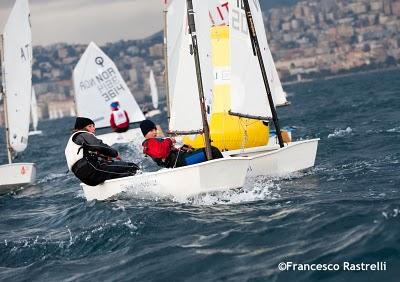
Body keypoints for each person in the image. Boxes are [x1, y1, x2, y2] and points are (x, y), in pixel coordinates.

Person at [65, 117, 139, 186]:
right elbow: (98, 145)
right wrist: (115, 154)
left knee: (116, 173)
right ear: (83, 128)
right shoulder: (83, 134)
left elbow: (88, 153)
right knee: (132, 167)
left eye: (93, 126)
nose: (94, 128)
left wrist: (105, 156)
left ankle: (115, 192)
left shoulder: (72, 141)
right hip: (91, 169)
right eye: (90, 126)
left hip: (82, 176)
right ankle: (141, 185)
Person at [139, 119, 223, 168]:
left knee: (208, 152)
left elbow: (167, 152)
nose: (154, 132)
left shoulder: (154, 141)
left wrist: (183, 148)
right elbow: (161, 152)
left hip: (181, 160)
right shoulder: (149, 143)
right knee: (212, 150)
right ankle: (223, 172)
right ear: (145, 133)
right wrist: (169, 141)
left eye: (155, 130)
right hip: (182, 161)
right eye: (151, 130)